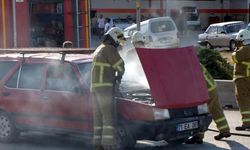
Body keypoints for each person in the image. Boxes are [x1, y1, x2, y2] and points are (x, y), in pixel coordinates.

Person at [91, 27, 126, 150]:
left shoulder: (99, 49)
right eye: (119, 41)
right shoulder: (110, 49)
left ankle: (98, 144)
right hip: (105, 88)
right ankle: (108, 145)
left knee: (98, 117)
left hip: (95, 88)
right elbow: (120, 66)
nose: (118, 45)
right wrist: (119, 76)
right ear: (115, 38)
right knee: (108, 116)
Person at [186, 64, 231, 144]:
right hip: (212, 88)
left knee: (202, 113)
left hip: (205, 92)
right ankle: (225, 130)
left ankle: (198, 136)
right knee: (216, 110)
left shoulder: (189, 65)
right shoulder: (195, 62)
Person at [231, 29, 250, 131]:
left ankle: (247, 123)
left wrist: (235, 50)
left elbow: (234, 58)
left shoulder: (245, 49)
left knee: (243, 100)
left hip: (243, 79)